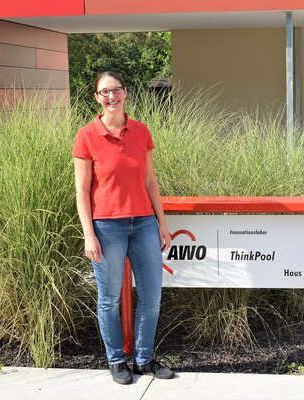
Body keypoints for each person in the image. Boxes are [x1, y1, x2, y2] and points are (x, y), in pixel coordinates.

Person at [73, 71, 175, 384]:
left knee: (151, 296)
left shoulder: (141, 131)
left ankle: (143, 360)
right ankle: (117, 360)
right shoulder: (87, 135)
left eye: (115, 90)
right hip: (106, 227)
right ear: (97, 98)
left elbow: (150, 181)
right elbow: (81, 190)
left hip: (143, 223)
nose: (111, 96)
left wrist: (162, 223)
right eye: (104, 92)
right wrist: (89, 233)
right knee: (109, 299)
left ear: (125, 92)